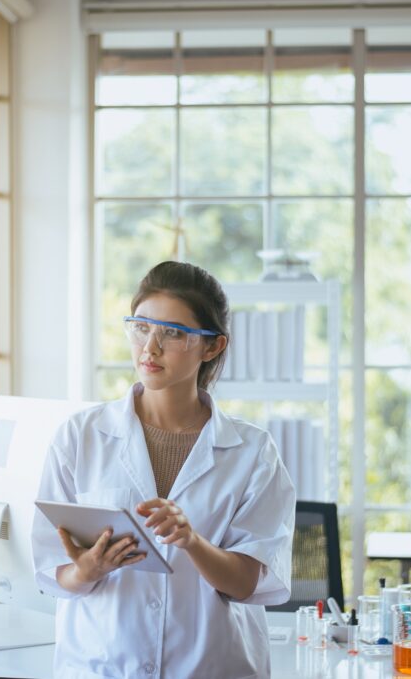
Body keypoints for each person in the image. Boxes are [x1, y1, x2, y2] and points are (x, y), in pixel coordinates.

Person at [31, 261, 296, 678]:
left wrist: (192, 541)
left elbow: (249, 581)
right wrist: (89, 569)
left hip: (212, 667)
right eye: (141, 327)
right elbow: (52, 569)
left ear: (212, 347)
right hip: (101, 666)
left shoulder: (252, 451)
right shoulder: (80, 437)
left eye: (172, 333)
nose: (149, 348)